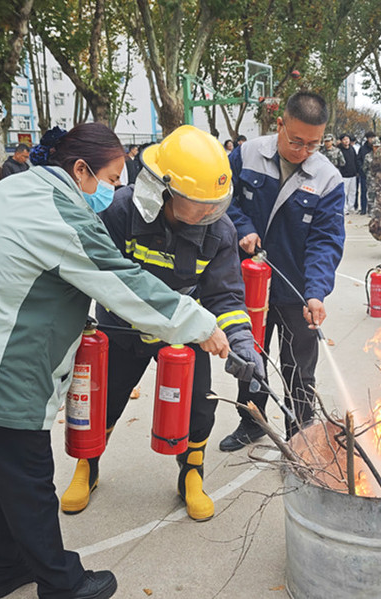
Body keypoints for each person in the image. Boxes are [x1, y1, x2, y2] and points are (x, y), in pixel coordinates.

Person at [0, 123, 231, 599]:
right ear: (81, 170)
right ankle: (61, 583)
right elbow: (122, 282)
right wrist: (200, 324)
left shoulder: (17, 186)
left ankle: (4, 569)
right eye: (109, 180)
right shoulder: (62, 213)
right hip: (3, 373)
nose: (113, 192)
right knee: (29, 485)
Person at [59, 125, 263, 522]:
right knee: (106, 401)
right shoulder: (118, 213)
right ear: (165, 191)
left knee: (198, 408)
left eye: (215, 203)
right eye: (198, 204)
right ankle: (88, 466)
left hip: (186, 335)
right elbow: (105, 278)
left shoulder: (218, 231)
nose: (209, 213)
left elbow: (225, 296)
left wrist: (240, 338)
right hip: (122, 330)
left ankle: (191, 475)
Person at [220, 91, 345, 449]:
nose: (303, 151)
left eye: (313, 144)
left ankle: (300, 436)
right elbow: (221, 199)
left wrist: (315, 292)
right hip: (249, 284)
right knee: (250, 357)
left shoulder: (327, 178)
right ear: (279, 125)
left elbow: (326, 241)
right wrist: (242, 228)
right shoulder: (245, 156)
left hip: (296, 290)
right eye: (296, 141)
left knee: (299, 371)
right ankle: (252, 420)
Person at [337, 133, 358, 214]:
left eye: (347, 139)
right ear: (341, 141)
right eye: (344, 139)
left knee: (353, 192)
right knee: (344, 192)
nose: (346, 141)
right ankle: (344, 209)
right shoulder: (339, 150)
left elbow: (355, 160)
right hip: (344, 175)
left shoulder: (352, 149)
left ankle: (351, 207)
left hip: (353, 174)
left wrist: (356, 171)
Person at [356, 131, 377, 214]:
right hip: (365, 173)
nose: (372, 139)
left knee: (375, 191)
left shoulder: (377, 147)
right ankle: (364, 208)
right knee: (364, 191)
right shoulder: (363, 149)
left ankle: (373, 208)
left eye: (373, 137)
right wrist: (362, 169)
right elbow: (358, 160)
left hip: (375, 174)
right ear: (367, 139)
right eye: (370, 138)